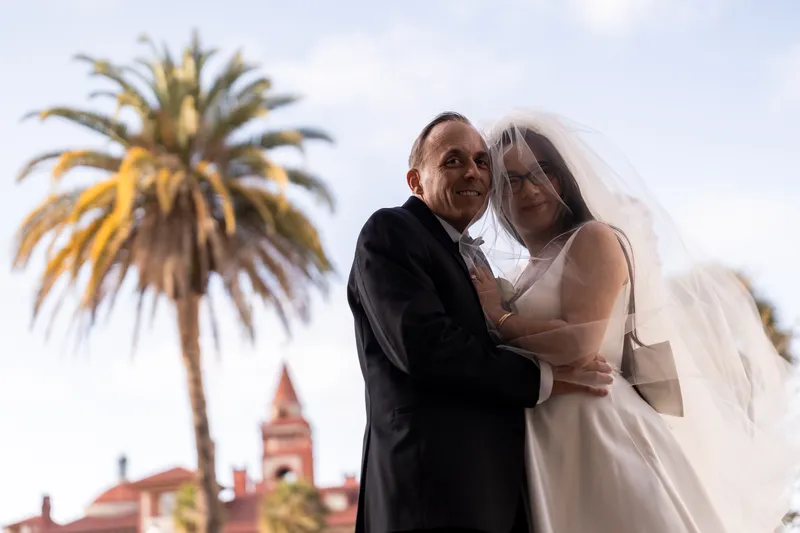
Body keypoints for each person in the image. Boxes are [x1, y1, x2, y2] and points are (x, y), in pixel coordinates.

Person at [467, 110, 797, 533]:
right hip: (544, 438)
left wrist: (500, 317)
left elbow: (580, 342)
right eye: (511, 181)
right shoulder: (514, 277)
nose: (529, 190)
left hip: (600, 429)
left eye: (540, 173)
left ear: (563, 176)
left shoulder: (593, 238)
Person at [347, 112, 614, 533]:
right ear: (416, 182)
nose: (471, 171)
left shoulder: (475, 261)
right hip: (428, 491)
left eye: (480, 161)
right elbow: (425, 345)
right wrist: (544, 379)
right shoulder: (392, 231)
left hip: (500, 489)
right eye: (452, 160)